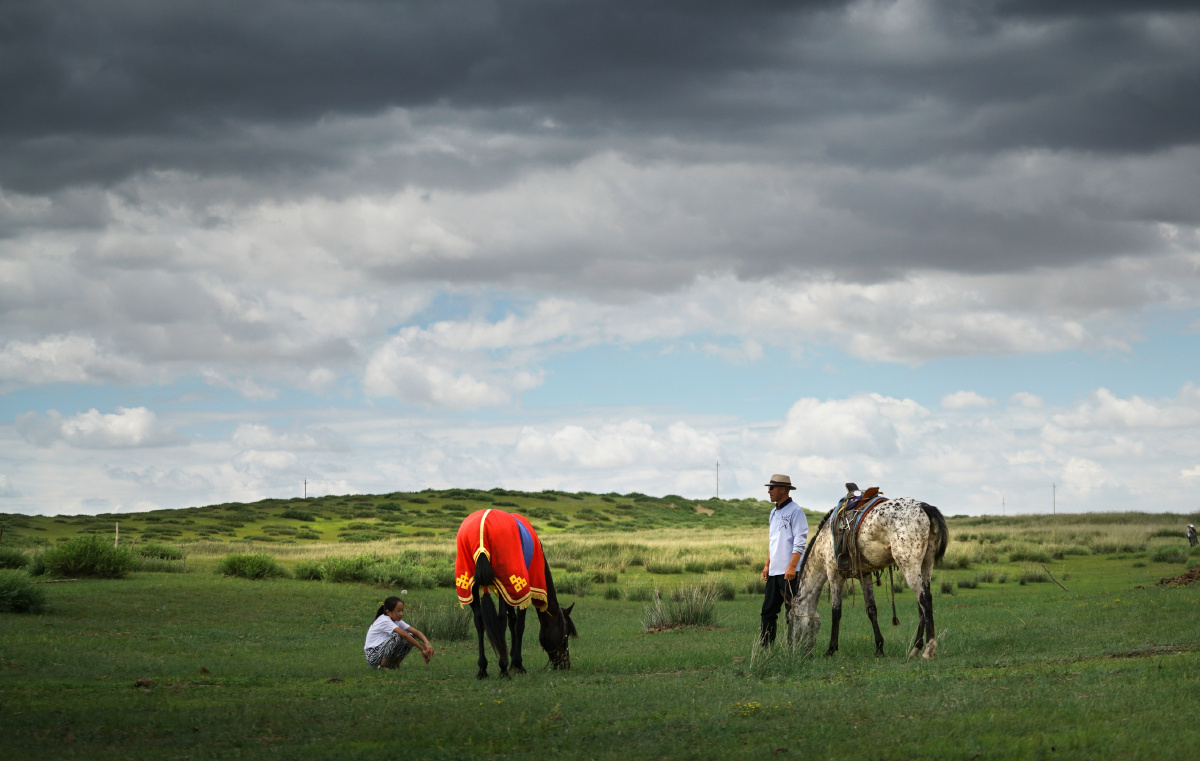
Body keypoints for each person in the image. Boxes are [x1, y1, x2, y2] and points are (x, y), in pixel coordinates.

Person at [760, 474, 808, 646]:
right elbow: (773, 542)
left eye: (771, 488)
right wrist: (767, 565)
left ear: (782, 489)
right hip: (774, 571)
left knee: (792, 612)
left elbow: (800, 541)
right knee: (767, 611)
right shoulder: (773, 512)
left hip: (790, 572)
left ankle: (795, 647)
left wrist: (792, 567)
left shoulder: (796, 511)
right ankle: (765, 647)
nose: (769, 491)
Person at [364, 596, 434, 669]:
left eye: (402, 610)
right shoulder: (384, 620)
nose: (401, 614)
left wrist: (427, 644)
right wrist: (422, 649)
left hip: (382, 653)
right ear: (388, 612)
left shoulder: (397, 620)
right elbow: (404, 635)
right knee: (397, 636)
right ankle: (382, 666)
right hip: (373, 656)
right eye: (398, 611)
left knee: (411, 635)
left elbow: (416, 632)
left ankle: (395, 665)